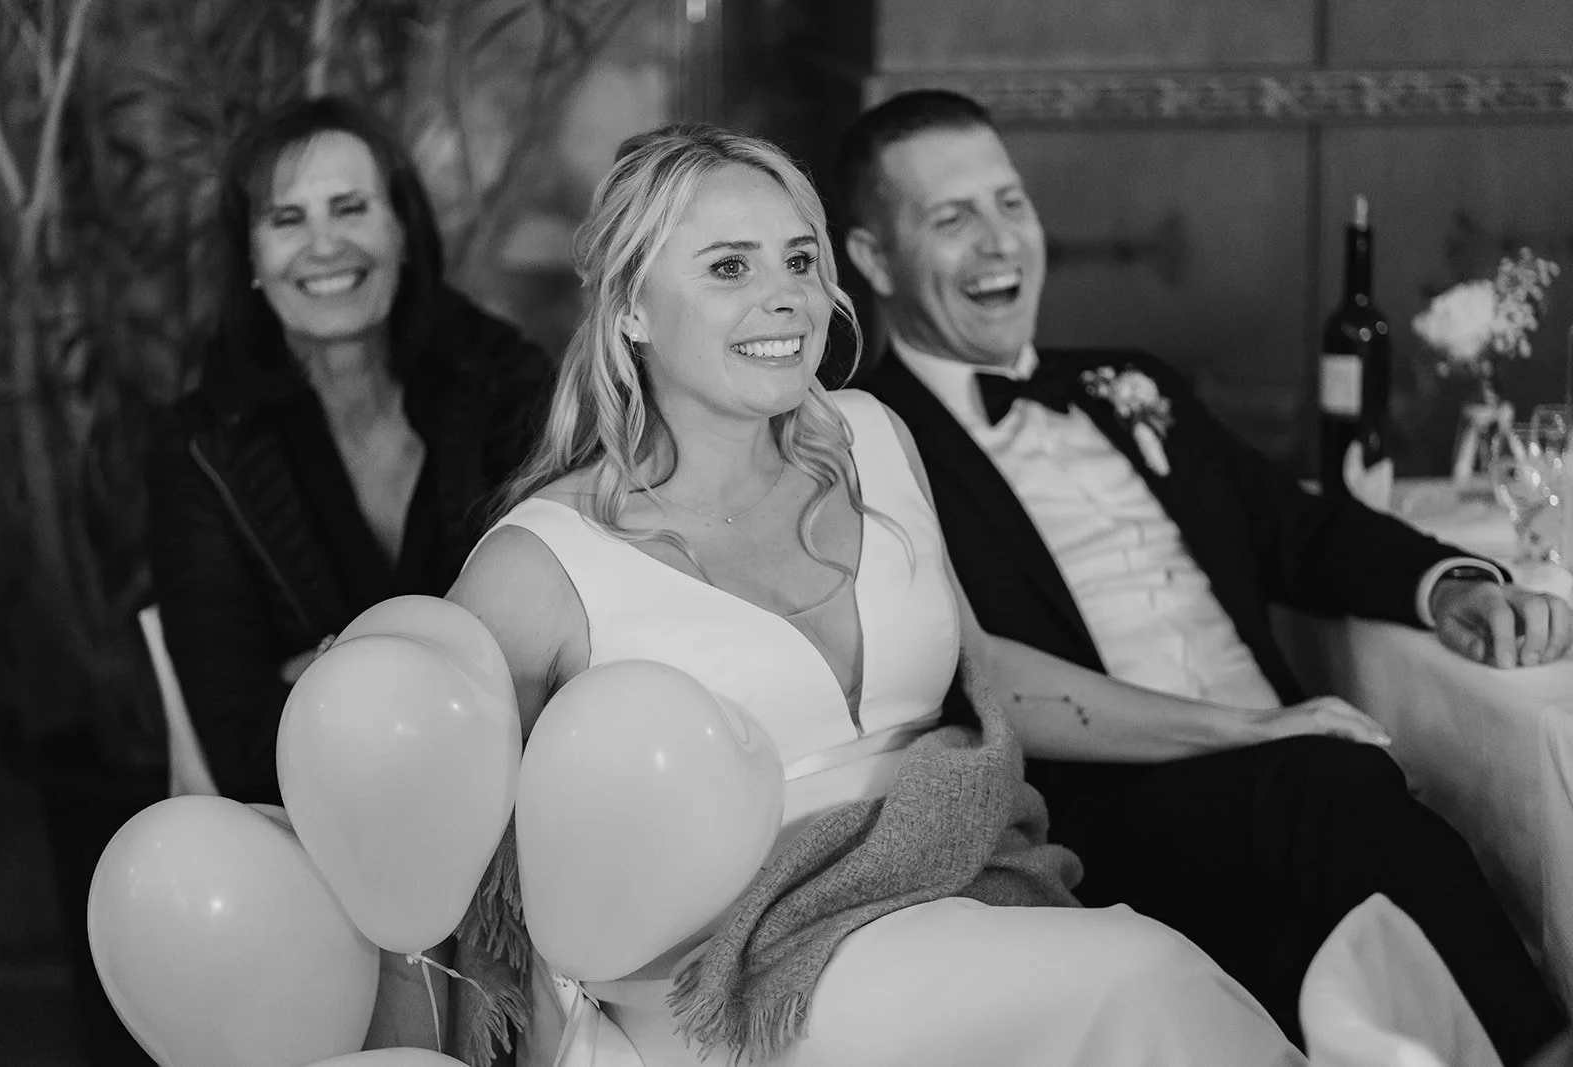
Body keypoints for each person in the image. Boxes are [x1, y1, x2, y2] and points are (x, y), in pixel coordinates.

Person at [390, 123, 1330, 1067]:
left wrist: (1243, 727)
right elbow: (422, 854)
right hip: (729, 1001)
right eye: (729, 267)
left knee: (1144, 968)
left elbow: (989, 674)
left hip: (953, 896)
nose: (787, 297)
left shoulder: (874, 440)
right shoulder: (541, 562)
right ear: (632, 308)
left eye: (800, 259)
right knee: (1138, 973)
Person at [838, 89, 1568, 1062]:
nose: (999, 240)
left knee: (1336, 919)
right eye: (950, 217)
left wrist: (1453, 584)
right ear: (873, 257)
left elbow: (1296, 527)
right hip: (1116, 796)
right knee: (1344, 799)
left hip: (1288, 776)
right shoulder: (868, 441)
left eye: (1009, 202)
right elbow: (958, 671)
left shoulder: (1130, 380)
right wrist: (1256, 733)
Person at [146, 95, 551, 806]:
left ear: (402, 230)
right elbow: (242, 740)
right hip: (313, 832)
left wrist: (329, 671)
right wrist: (455, 665)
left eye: (351, 208)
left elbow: (560, 655)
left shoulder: (506, 383)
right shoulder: (200, 448)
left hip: (521, 805)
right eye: (287, 219)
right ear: (251, 258)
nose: (324, 245)